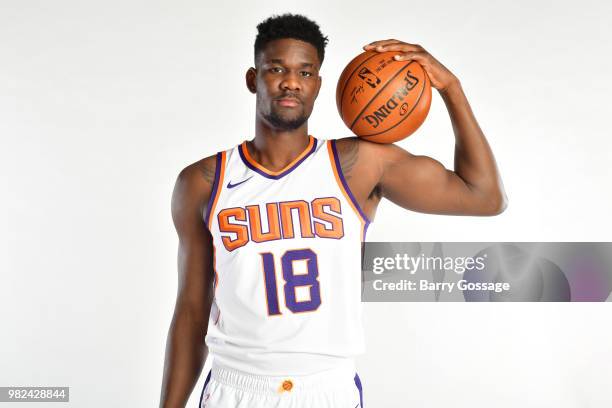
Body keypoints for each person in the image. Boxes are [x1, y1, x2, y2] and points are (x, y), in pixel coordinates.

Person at [159, 13, 507, 408]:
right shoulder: (204, 181)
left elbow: (484, 196)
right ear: (253, 79)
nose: (291, 81)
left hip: (326, 390)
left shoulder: (360, 166)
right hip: (236, 388)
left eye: (305, 72)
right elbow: (190, 311)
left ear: (319, 85)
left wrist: (451, 88)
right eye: (276, 68)